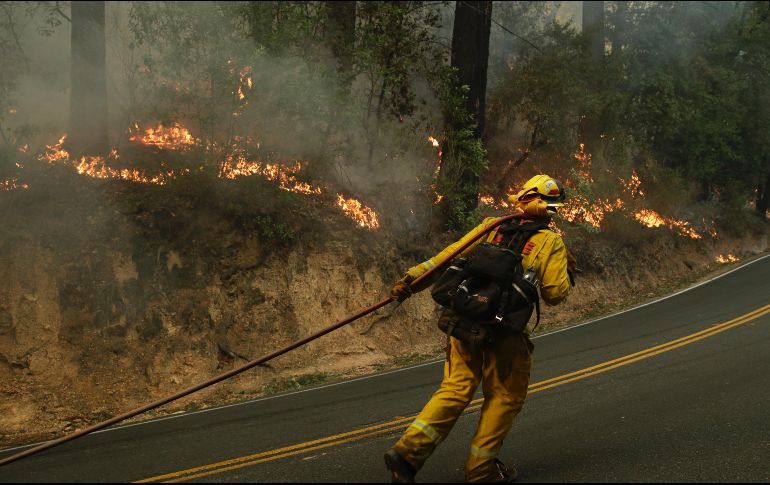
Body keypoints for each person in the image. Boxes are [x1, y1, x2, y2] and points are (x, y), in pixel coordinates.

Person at [384, 174, 574, 483]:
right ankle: (480, 471)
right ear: (553, 208)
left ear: (522, 198)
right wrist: (566, 269)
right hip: (505, 334)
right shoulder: (550, 241)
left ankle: (407, 455)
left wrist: (410, 280)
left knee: (455, 388)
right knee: (504, 397)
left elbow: (450, 255)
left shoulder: (492, 226)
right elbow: (555, 293)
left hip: (464, 321)